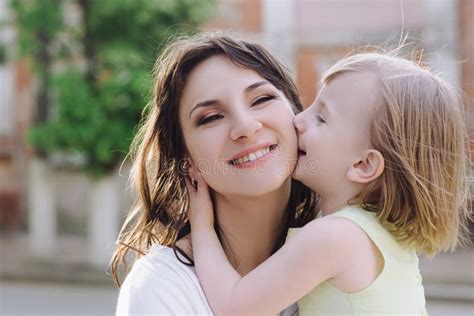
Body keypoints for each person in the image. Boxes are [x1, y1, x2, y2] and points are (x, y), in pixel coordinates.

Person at [187, 51, 471, 315]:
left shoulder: (334, 237)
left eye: (321, 118)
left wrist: (201, 227)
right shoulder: (380, 234)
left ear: (363, 165)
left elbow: (234, 308)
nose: (298, 120)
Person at [111, 32, 317, 315]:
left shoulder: (342, 249)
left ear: (295, 112)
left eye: (261, 99)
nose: (245, 126)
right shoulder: (162, 286)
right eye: (210, 117)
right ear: (185, 158)